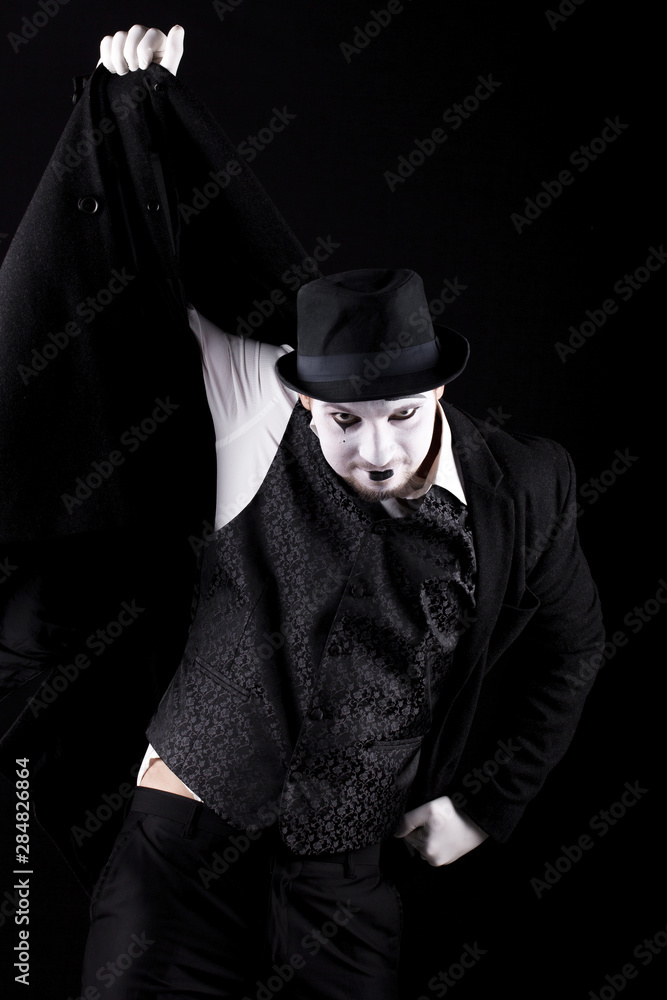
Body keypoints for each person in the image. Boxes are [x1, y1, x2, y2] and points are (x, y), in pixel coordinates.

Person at [21, 24, 603, 1000]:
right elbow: (140, 266)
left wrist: (484, 807)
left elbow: (571, 648)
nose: (374, 450)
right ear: (303, 400)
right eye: (343, 420)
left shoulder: (524, 486)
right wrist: (137, 104)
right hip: (182, 851)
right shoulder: (255, 406)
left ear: (439, 391)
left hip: (346, 879)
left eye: (401, 415)